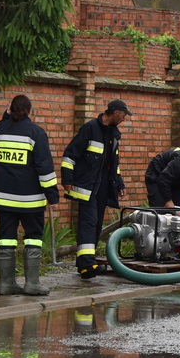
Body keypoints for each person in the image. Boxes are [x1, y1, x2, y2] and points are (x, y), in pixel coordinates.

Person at [0, 94, 59, 296]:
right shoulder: (36, 133)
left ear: (10, 109)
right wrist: (52, 196)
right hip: (30, 200)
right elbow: (44, 168)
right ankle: (32, 284)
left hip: (3, 198)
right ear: (30, 111)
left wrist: (6, 117)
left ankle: (6, 284)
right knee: (33, 238)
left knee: (6, 239)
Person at [61, 99, 130, 279]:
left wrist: (119, 183)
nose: (124, 119)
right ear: (115, 113)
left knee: (96, 224)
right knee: (89, 222)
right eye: (123, 115)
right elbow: (70, 154)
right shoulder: (90, 128)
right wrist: (67, 179)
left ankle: (87, 261)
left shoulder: (113, 135)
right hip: (87, 187)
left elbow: (114, 165)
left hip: (103, 189)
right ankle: (87, 265)